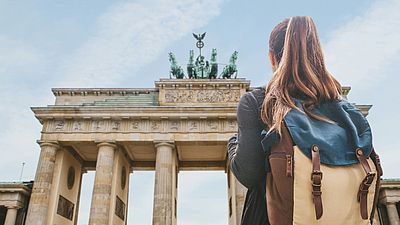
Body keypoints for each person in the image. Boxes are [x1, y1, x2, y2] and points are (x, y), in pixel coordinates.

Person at [227, 16, 381, 225]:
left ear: (272, 58)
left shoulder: (259, 102)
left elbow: (248, 174)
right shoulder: (345, 110)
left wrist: (233, 144)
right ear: (317, 54)